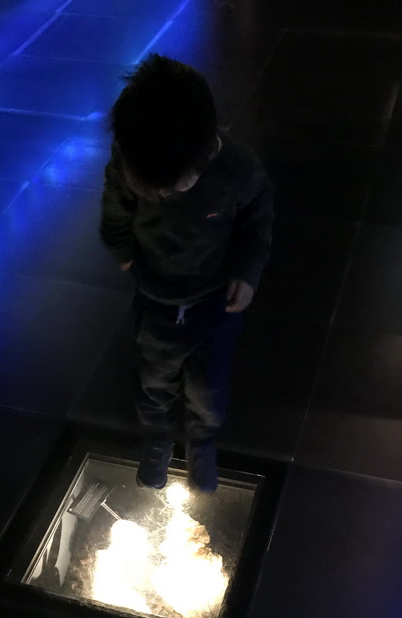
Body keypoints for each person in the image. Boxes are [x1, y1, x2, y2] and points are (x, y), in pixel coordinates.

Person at [100, 54, 273, 492]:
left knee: (209, 388)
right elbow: (115, 210)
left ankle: (202, 440)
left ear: (205, 151)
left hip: (214, 298)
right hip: (155, 295)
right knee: (153, 379)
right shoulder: (129, 160)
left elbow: (257, 223)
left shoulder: (238, 171)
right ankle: (158, 437)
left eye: (168, 185)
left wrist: (248, 273)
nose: (157, 193)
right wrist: (122, 249)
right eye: (147, 185)